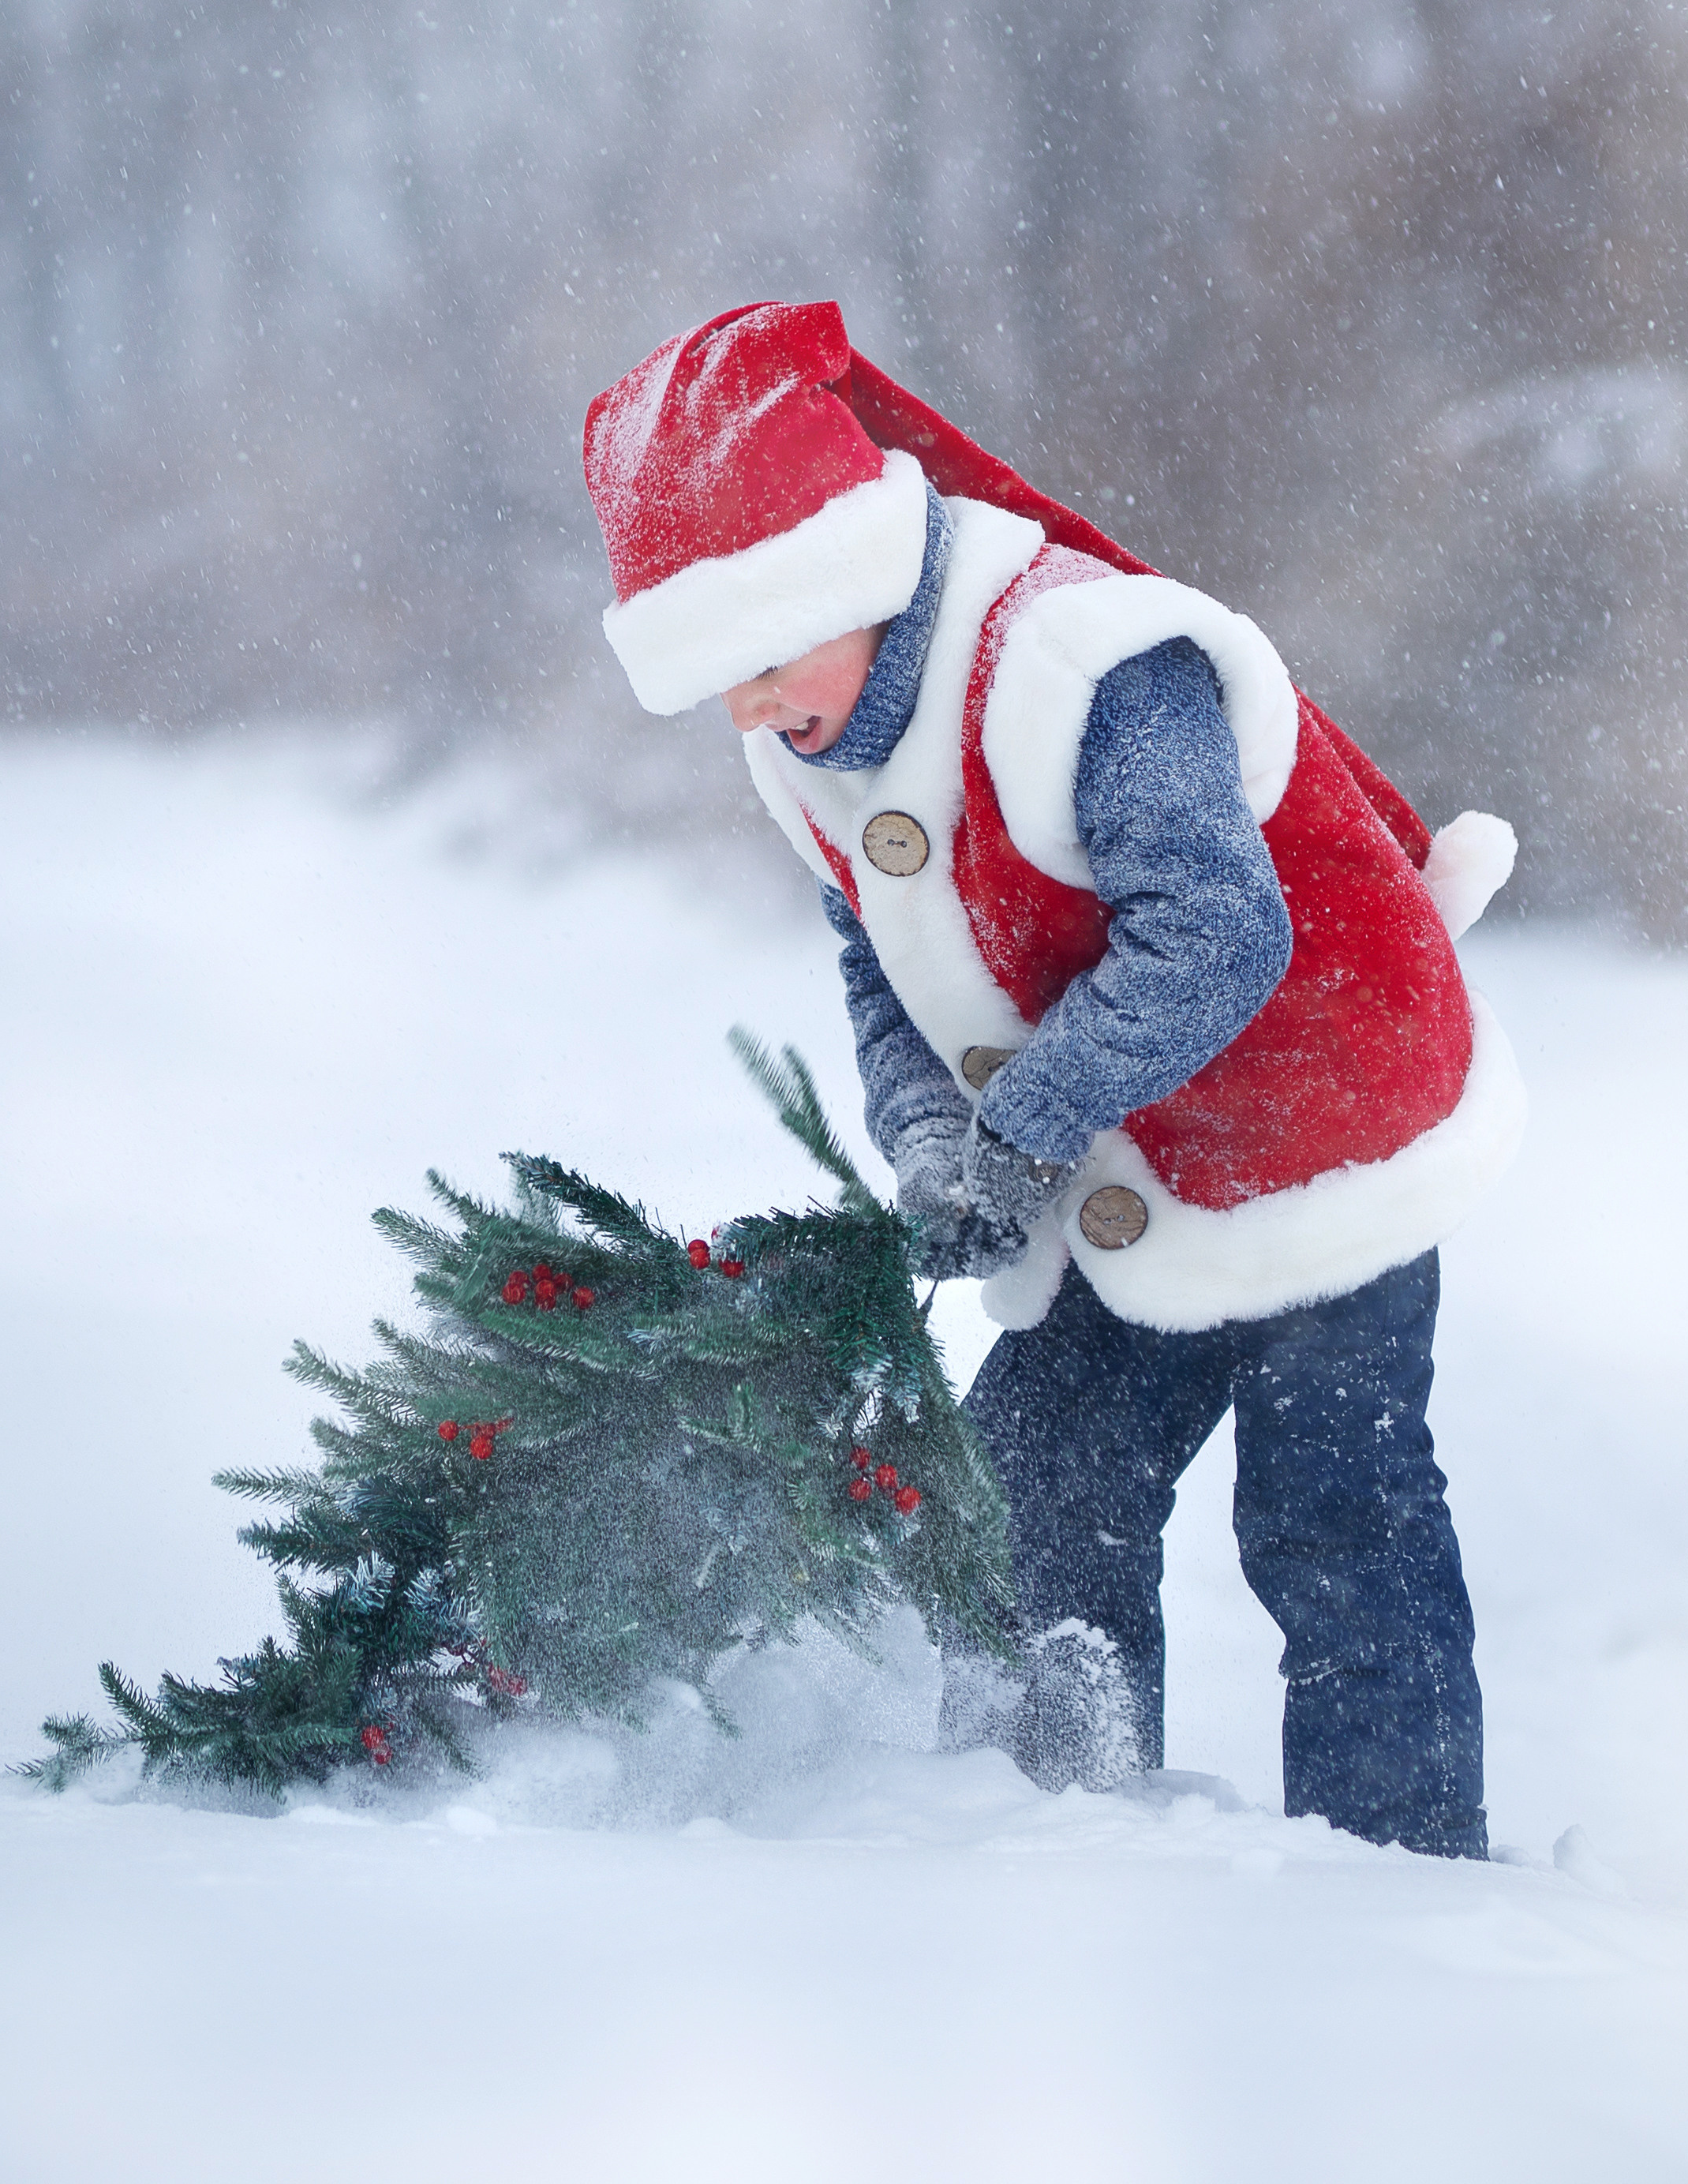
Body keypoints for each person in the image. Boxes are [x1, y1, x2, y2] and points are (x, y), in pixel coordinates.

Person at [582, 298, 1526, 1857]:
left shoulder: (1081, 663)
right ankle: (1049, 1837)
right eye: (713, 681)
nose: (746, 708)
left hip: (1322, 1111)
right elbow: (877, 954)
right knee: (1029, 1484)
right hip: (1133, 1139)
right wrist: (933, 1144)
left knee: (1336, 1519)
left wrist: (1020, 1126)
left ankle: (1402, 1878)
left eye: (756, 655)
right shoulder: (808, 734)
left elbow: (1221, 934)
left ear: (851, 570)